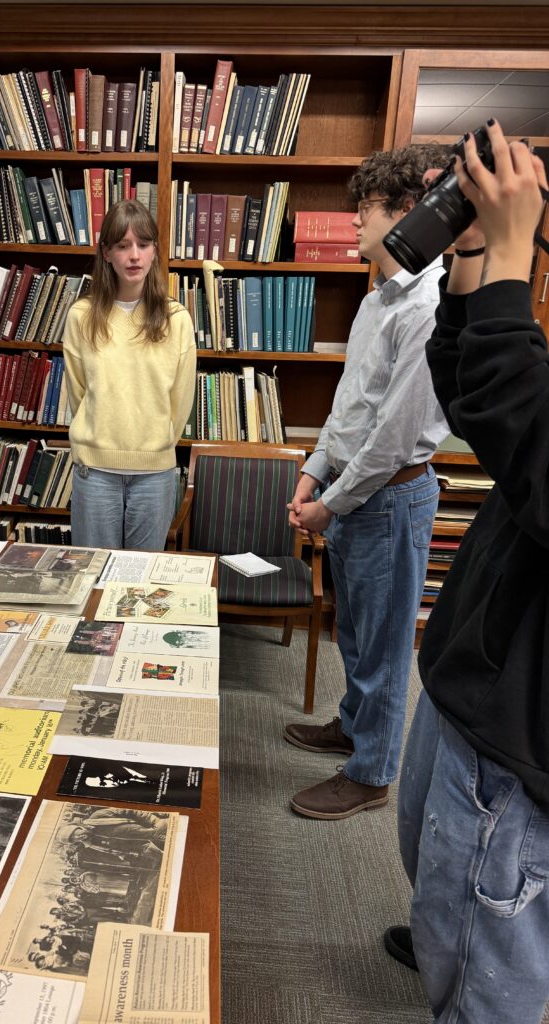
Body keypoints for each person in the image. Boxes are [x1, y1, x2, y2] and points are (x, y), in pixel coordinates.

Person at [387, 122, 549, 1023]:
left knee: (492, 983)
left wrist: (517, 259)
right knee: (435, 879)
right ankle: (441, 934)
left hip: (522, 738)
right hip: (470, 686)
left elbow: (535, 446)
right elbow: (480, 397)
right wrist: (477, 259)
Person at [285, 143, 454, 819]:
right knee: (353, 633)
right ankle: (356, 729)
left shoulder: (428, 307)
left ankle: (372, 773)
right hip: (358, 493)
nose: (354, 224)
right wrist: (312, 468)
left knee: (384, 645)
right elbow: (350, 406)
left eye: (367, 210)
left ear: (408, 211)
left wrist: (331, 502)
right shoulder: (378, 299)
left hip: (389, 495)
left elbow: (391, 437)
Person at [62, 199, 196, 551]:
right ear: (106, 253)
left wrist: (158, 441)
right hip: (95, 472)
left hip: (155, 473)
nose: (134, 255)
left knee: (138, 583)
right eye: (122, 246)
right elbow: (78, 393)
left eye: (143, 244)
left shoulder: (176, 318)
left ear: (154, 252)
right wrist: (97, 438)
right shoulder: (81, 316)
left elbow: (181, 401)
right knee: (93, 576)